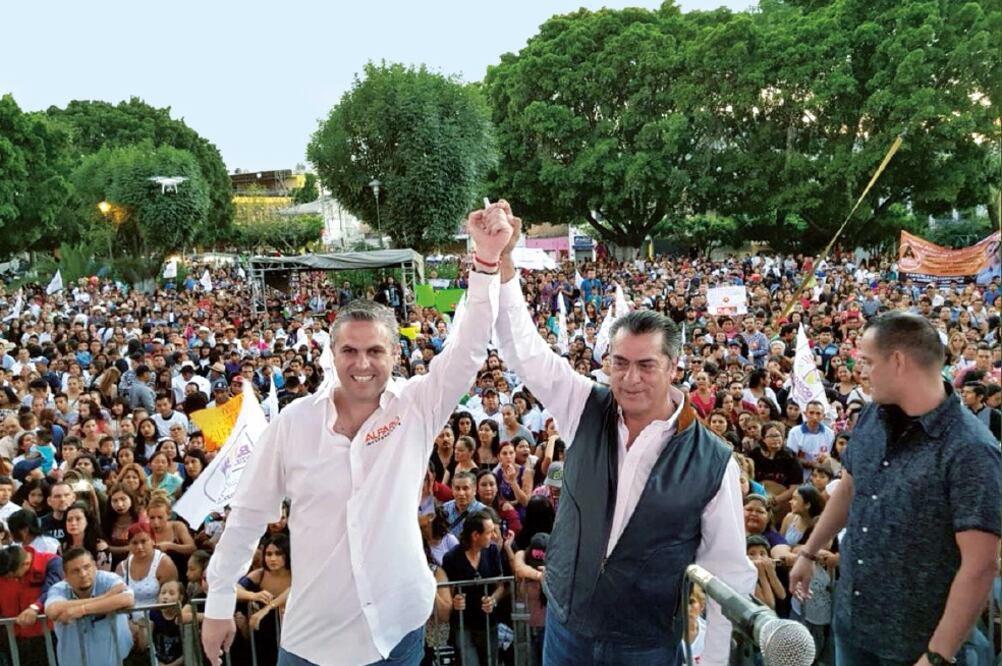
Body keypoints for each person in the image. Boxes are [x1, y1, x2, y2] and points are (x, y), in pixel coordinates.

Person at [202, 202, 514, 666]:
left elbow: (467, 350)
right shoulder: (293, 424)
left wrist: (486, 261)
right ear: (331, 353)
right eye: (349, 350)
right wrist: (219, 603)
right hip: (313, 640)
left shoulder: (416, 407)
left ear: (395, 353)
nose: (362, 364)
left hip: (397, 627)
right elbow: (248, 516)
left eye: (374, 351)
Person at [493, 206, 755, 666]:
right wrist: (504, 260)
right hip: (566, 630)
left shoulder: (714, 462)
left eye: (646, 365)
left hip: (645, 645)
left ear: (674, 368)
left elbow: (729, 573)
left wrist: (713, 662)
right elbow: (525, 352)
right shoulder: (584, 407)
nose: (630, 378)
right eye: (620, 363)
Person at [789, 312, 1001, 665]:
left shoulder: (970, 448)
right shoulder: (873, 416)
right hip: (854, 624)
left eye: (869, 362)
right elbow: (851, 487)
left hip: (916, 645)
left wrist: (938, 656)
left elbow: (980, 565)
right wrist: (809, 552)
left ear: (898, 361)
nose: (863, 372)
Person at [45, 547, 134, 666]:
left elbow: (127, 599)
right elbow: (52, 610)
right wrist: (105, 598)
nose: (83, 574)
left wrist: (82, 610)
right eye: (75, 571)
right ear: (65, 576)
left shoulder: (108, 579)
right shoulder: (59, 588)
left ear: (95, 566)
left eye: (86, 567)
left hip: (115, 661)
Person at [0, 543, 63, 666]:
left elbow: (53, 589)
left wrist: (35, 607)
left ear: (25, 565)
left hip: (46, 635)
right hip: (11, 635)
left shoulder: (51, 562)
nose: (10, 579)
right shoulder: (5, 566)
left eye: (11, 576)